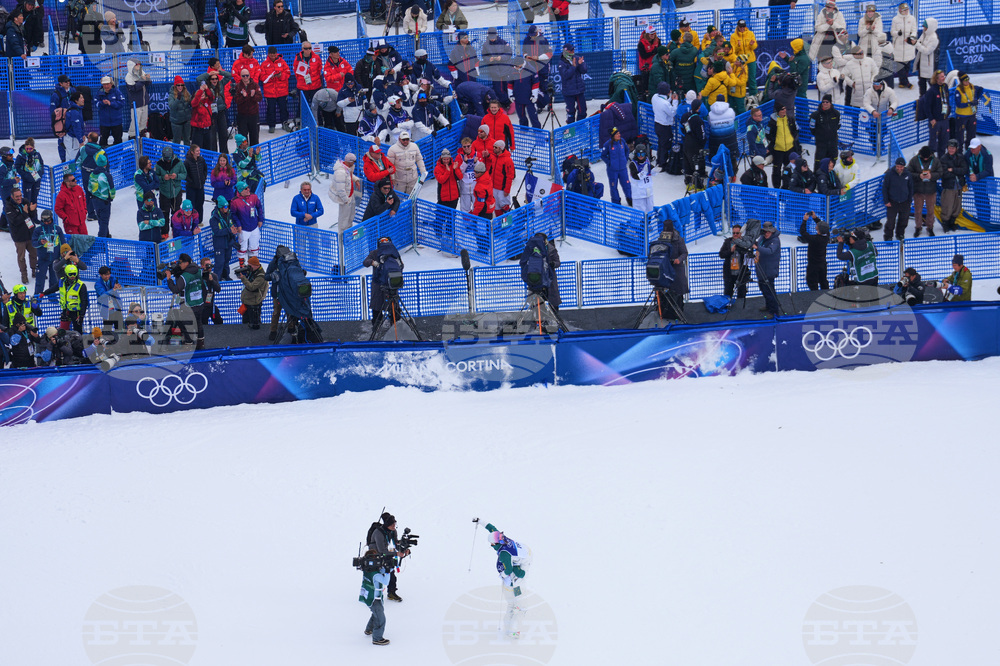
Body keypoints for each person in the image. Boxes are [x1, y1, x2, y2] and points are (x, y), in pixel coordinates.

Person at [165, 253, 206, 348]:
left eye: (180, 263)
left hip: (188, 304)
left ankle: (189, 343)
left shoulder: (185, 276)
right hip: (199, 302)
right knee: (198, 322)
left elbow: (176, 289)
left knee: (184, 323)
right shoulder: (198, 270)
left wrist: (169, 279)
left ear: (186, 263)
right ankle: (201, 343)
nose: (179, 265)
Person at [363, 237, 404, 330]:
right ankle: (376, 325)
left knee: (394, 307)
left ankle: (395, 325)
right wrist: (373, 262)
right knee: (377, 306)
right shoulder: (374, 253)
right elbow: (365, 262)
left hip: (390, 284)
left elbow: (401, 266)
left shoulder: (393, 253)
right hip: (378, 284)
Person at [195, 65, 232, 155]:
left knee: (223, 134)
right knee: (212, 137)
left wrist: (219, 72)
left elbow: (229, 76)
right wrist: (209, 74)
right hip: (211, 114)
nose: (214, 81)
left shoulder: (221, 84)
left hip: (221, 112)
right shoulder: (206, 86)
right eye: (212, 79)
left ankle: (224, 154)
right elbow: (198, 79)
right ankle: (214, 154)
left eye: (216, 79)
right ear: (209, 80)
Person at [41, 262, 88, 333]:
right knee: (63, 330)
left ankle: (79, 343)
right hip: (66, 310)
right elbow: (53, 288)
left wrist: (81, 315)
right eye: (70, 274)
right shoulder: (61, 282)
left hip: (76, 312)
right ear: (66, 274)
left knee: (77, 331)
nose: (72, 276)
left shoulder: (81, 285)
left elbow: (84, 301)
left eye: (74, 274)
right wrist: (44, 293)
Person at [519, 232, 561, 309]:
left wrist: (553, 264)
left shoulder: (551, 249)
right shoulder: (530, 249)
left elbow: (558, 262)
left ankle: (554, 316)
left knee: (553, 300)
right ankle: (540, 318)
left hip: (549, 279)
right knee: (537, 303)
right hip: (536, 279)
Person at [908, 145, 942, 236]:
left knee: (930, 210)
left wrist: (932, 176)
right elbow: (908, 172)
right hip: (918, 190)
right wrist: (919, 176)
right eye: (924, 157)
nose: (926, 159)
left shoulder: (935, 160)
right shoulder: (915, 160)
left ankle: (930, 227)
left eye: (928, 157)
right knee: (918, 211)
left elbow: (940, 172)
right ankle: (918, 227)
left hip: (931, 190)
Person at [7, 189, 37, 284]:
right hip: (19, 237)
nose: (20, 198)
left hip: (30, 233)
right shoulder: (8, 207)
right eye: (17, 197)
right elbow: (15, 221)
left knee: (34, 254)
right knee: (21, 257)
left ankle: (35, 271)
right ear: (12, 197)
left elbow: (32, 217)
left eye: (20, 195)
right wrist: (24, 213)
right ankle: (24, 275)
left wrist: (32, 210)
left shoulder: (25, 201)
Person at [920, 70, 953, 156]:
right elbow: (927, 106)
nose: (944, 78)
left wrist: (948, 110)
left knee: (944, 141)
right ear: (936, 79)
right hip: (936, 121)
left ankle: (941, 160)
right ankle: (931, 160)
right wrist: (931, 118)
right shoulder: (931, 91)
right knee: (933, 142)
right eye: (942, 77)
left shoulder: (945, 87)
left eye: (944, 76)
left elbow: (947, 100)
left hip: (945, 119)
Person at [260, 47, 292, 135]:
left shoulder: (282, 62)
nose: (273, 56)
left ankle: (285, 123)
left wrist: (280, 76)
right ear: (268, 54)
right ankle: (271, 125)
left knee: (283, 108)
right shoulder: (264, 64)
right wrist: (271, 77)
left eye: (274, 54)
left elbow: (288, 73)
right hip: (269, 92)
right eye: (271, 54)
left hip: (282, 91)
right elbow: (262, 77)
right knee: (271, 109)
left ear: (276, 53)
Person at [31, 210, 64, 294]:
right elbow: (33, 243)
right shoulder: (38, 230)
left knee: (54, 280)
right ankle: (38, 298)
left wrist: (63, 254)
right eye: (44, 220)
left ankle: (52, 297)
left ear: (51, 218)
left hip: (55, 259)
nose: (46, 222)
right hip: (43, 259)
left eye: (48, 220)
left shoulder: (57, 229)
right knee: (40, 281)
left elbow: (63, 243)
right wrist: (39, 242)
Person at [937, 139, 966, 233]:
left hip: (958, 186)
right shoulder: (943, 159)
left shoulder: (960, 157)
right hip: (948, 186)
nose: (951, 150)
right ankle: (945, 223)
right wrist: (957, 171)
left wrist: (953, 170)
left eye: (953, 148)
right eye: (950, 148)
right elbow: (944, 174)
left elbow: (964, 169)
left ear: (956, 148)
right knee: (947, 206)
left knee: (957, 206)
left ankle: (952, 223)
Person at [767, 102, 799, 188]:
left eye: (785, 109)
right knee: (777, 170)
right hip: (778, 150)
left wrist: (792, 140)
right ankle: (777, 187)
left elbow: (796, 130)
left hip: (789, 148)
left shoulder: (790, 119)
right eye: (782, 109)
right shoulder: (772, 122)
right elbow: (768, 134)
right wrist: (775, 142)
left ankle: (787, 185)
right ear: (778, 111)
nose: (784, 111)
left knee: (789, 169)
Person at [231, 181, 263, 265]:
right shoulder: (235, 201)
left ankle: (253, 265)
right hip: (243, 229)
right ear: (241, 190)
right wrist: (238, 225)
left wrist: (260, 219)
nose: (248, 189)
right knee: (242, 248)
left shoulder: (254, 197)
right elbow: (233, 215)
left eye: (248, 187)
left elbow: (259, 208)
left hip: (254, 226)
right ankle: (242, 266)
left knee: (254, 247)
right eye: (246, 189)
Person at [754, 221, 782, 317]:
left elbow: (770, 251)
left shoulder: (775, 241)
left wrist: (757, 247)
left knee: (770, 291)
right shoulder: (762, 237)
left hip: (769, 271)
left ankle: (774, 311)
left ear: (772, 231)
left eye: (768, 232)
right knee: (763, 289)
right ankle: (768, 305)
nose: (766, 233)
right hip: (761, 269)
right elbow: (759, 245)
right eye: (765, 232)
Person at [882, 157, 913, 241]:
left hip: (905, 201)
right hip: (892, 201)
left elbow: (911, 188)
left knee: (903, 220)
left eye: (901, 167)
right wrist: (886, 200)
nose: (899, 168)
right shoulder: (889, 174)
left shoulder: (908, 174)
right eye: (898, 166)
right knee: (890, 221)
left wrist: (909, 200)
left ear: (904, 166)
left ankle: (900, 234)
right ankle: (888, 236)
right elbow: (885, 188)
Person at [387, 131, 426, 196]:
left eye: (407, 139)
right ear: (399, 139)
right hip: (399, 179)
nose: (405, 141)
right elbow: (390, 165)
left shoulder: (414, 146)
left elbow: (419, 160)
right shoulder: (392, 149)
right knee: (399, 198)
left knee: (412, 198)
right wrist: (392, 178)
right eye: (403, 139)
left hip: (413, 178)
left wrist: (423, 173)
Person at [330, 152, 362, 232]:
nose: (354, 163)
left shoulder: (348, 168)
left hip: (350, 195)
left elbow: (349, 176)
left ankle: (349, 234)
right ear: (350, 161)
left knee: (350, 217)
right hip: (345, 199)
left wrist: (356, 180)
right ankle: (342, 238)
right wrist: (346, 200)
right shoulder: (340, 172)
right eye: (354, 162)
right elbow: (340, 189)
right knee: (344, 220)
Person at [600, 127, 632, 206]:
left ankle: (630, 198)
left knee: (626, 185)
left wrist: (625, 158)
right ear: (613, 135)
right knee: (613, 187)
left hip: (623, 169)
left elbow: (627, 150)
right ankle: (616, 202)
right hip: (612, 170)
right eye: (617, 134)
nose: (619, 135)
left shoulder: (622, 141)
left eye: (619, 133)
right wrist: (610, 163)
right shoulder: (607, 144)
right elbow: (603, 156)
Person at [798, 212, 831, 290]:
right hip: (822, 264)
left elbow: (803, 232)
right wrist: (815, 218)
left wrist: (805, 220)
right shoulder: (826, 236)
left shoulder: (814, 239)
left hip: (813, 265)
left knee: (812, 283)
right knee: (823, 282)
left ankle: (814, 298)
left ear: (818, 230)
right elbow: (824, 228)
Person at [952, 72, 984, 150]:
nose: (967, 81)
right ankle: (959, 152)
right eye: (965, 80)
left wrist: (976, 99)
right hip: (962, 116)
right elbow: (959, 104)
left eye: (968, 79)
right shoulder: (958, 90)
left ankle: (969, 151)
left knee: (971, 135)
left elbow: (980, 90)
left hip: (972, 115)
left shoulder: (972, 87)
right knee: (960, 136)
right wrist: (969, 104)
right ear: (962, 81)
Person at [155, 146, 187, 224]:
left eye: (169, 159)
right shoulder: (159, 164)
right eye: (166, 159)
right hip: (164, 192)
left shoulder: (178, 162)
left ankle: (175, 229)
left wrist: (176, 176)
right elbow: (155, 177)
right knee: (164, 212)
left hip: (176, 191)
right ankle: (164, 232)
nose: (168, 161)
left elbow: (184, 174)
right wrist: (163, 177)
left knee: (176, 213)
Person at [207, 196, 236, 280]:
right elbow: (217, 232)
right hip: (219, 243)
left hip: (228, 242)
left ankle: (226, 276)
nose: (227, 208)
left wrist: (234, 229)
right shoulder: (214, 218)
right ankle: (217, 279)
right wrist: (229, 230)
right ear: (220, 207)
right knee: (219, 262)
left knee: (226, 261)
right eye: (225, 207)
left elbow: (231, 224)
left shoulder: (229, 214)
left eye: (227, 206)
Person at [651, 84, 679, 172]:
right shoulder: (665, 104)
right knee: (665, 145)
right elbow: (673, 112)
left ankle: (659, 161)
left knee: (661, 143)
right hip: (665, 127)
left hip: (657, 124)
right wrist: (675, 101)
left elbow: (664, 102)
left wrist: (670, 98)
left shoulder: (655, 97)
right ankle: (662, 164)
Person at [965, 138, 994, 222]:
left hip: (985, 181)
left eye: (974, 147)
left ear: (979, 147)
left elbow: (988, 171)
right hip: (974, 180)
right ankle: (980, 217)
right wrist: (970, 174)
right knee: (977, 198)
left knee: (984, 199)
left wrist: (977, 176)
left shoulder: (987, 155)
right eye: (971, 148)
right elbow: (966, 166)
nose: (972, 149)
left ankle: (986, 219)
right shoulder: (968, 154)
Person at [557, 44, 587, 124]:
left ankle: (580, 127)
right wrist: (574, 66)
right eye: (571, 50)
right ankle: (571, 130)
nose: (573, 51)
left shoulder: (577, 58)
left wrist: (580, 64)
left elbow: (584, 71)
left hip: (579, 90)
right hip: (568, 92)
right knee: (571, 112)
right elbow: (565, 75)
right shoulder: (561, 62)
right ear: (566, 51)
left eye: (573, 49)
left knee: (583, 111)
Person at [233, 255, 265, 328]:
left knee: (255, 323)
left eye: (249, 266)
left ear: (255, 265)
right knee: (245, 324)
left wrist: (243, 278)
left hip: (254, 303)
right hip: (247, 302)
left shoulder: (260, 276)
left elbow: (251, 287)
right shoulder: (253, 271)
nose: (248, 267)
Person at [719, 223, 750, 299]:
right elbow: (721, 254)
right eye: (733, 233)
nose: (735, 235)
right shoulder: (727, 242)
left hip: (741, 273)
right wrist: (730, 251)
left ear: (741, 233)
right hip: (729, 273)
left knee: (742, 293)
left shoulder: (745, 242)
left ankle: (741, 309)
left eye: (737, 233)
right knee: (728, 293)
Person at [88, 153, 115, 239]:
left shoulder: (92, 174)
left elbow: (89, 188)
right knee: (104, 221)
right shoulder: (107, 176)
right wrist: (111, 197)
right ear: (105, 164)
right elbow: (112, 189)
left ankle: (106, 235)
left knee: (101, 220)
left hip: (95, 200)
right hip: (104, 201)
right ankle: (102, 240)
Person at [681, 99, 706, 188]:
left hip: (686, 142)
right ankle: (698, 185)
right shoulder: (698, 120)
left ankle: (688, 181)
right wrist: (702, 145)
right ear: (699, 108)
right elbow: (702, 136)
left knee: (687, 162)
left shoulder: (685, 116)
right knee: (697, 164)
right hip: (695, 146)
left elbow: (683, 127)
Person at [891, 3, 917, 88]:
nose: (906, 11)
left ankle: (902, 82)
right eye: (904, 10)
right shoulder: (895, 19)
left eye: (907, 10)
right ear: (900, 10)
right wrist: (897, 33)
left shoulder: (912, 18)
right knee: (900, 66)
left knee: (907, 65)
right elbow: (892, 32)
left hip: (908, 45)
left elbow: (914, 30)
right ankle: (906, 83)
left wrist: (911, 38)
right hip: (898, 46)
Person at [233, 68, 261, 147]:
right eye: (243, 76)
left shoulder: (255, 85)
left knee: (254, 137)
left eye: (247, 75)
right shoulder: (238, 87)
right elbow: (237, 101)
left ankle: (254, 156)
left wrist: (252, 96)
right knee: (243, 139)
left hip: (253, 115)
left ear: (249, 76)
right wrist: (244, 97)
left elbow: (259, 98)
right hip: (242, 116)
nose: (245, 77)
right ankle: (244, 156)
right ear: (241, 76)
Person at [125, 60, 152, 139]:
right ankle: (132, 136)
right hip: (135, 103)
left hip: (144, 102)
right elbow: (134, 88)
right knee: (135, 121)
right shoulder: (128, 77)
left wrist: (147, 79)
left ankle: (142, 133)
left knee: (143, 120)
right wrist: (143, 80)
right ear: (132, 66)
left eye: (139, 65)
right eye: (137, 65)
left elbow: (148, 84)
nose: (139, 66)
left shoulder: (141, 72)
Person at [184, 144, 208, 224]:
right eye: (197, 151)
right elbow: (185, 174)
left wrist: (203, 178)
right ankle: (191, 221)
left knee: (200, 203)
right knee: (191, 205)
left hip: (200, 186)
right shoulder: (187, 162)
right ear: (192, 152)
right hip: (191, 187)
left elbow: (205, 169)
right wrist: (191, 181)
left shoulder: (201, 160)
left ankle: (199, 220)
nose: (199, 152)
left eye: (199, 151)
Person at [628, 144, 655, 215]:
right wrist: (644, 171)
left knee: (650, 209)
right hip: (638, 193)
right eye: (639, 154)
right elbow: (636, 177)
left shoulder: (647, 161)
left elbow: (652, 169)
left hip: (648, 191)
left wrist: (655, 170)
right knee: (639, 212)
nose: (641, 156)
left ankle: (648, 223)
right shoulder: (633, 164)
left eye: (642, 154)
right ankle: (637, 225)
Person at [94, 266, 122, 331]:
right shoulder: (97, 284)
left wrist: (119, 286)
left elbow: (121, 285)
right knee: (107, 330)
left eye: (108, 274)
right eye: (105, 275)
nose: (107, 276)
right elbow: (103, 295)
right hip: (106, 310)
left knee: (120, 328)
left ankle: (120, 340)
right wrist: (113, 289)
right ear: (100, 275)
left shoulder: (112, 278)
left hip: (116, 308)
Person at [190, 80, 216, 150]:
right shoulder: (195, 103)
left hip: (207, 129)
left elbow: (211, 97)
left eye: (203, 93)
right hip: (198, 130)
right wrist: (200, 90)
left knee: (208, 149)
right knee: (197, 149)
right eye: (201, 94)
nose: (202, 94)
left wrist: (206, 89)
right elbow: (193, 103)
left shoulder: (208, 101)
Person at [65, 93, 86, 163]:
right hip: (72, 140)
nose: (83, 99)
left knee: (72, 158)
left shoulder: (77, 109)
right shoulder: (74, 112)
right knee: (72, 159)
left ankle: (71, 173)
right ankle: (71, 173)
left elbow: (80, 125)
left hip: (73, 138)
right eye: (81, 98)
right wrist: (80, 140)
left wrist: (82, 134)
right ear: (76, 101)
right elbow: (76, 128)